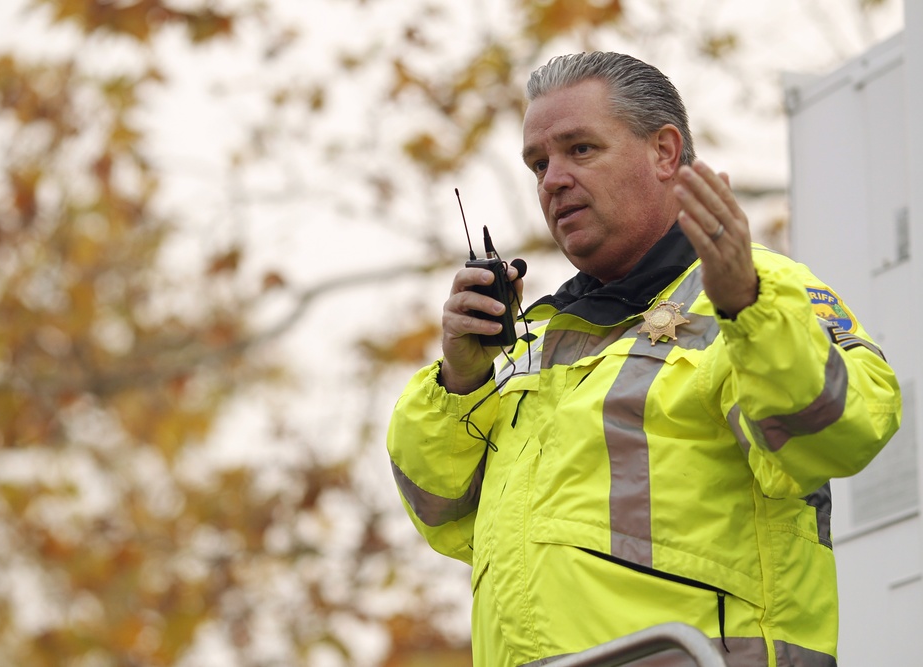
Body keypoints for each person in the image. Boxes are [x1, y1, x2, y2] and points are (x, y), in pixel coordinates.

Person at [386, 51, 902, 667]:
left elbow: (847, 431)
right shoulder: (532, 339)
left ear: (664, 152)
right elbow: (440, 512)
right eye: (538, 163)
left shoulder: (753, 291)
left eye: (580, 149)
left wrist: (750, 307)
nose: (552, 179)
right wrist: (460, 381)